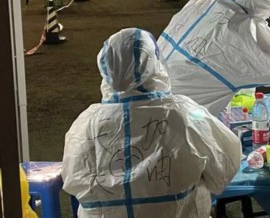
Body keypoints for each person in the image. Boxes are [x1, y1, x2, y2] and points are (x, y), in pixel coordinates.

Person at [62, 28, 241, 217]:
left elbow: (74, 179)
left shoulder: (86, 123)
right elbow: (224, 170)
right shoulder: (185, 113)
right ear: (154, 62)